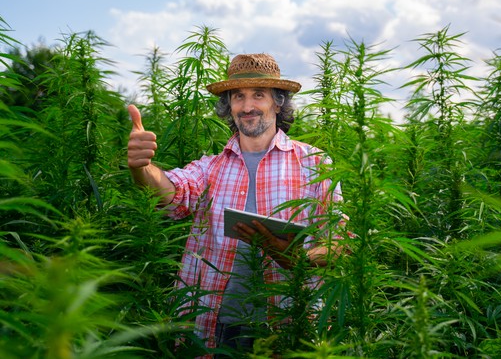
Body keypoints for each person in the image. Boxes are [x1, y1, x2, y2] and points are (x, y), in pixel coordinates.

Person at [127, 53, 344, 357]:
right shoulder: (210, 167)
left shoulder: (314, 163)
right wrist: (142, 167)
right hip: (216, 325)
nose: (247, 106)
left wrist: (299, 259)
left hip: (289, 323)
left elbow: (340, 242)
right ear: (228, 105)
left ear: (278, 102)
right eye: (238, 96)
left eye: (259, 95)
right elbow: (171, 195)